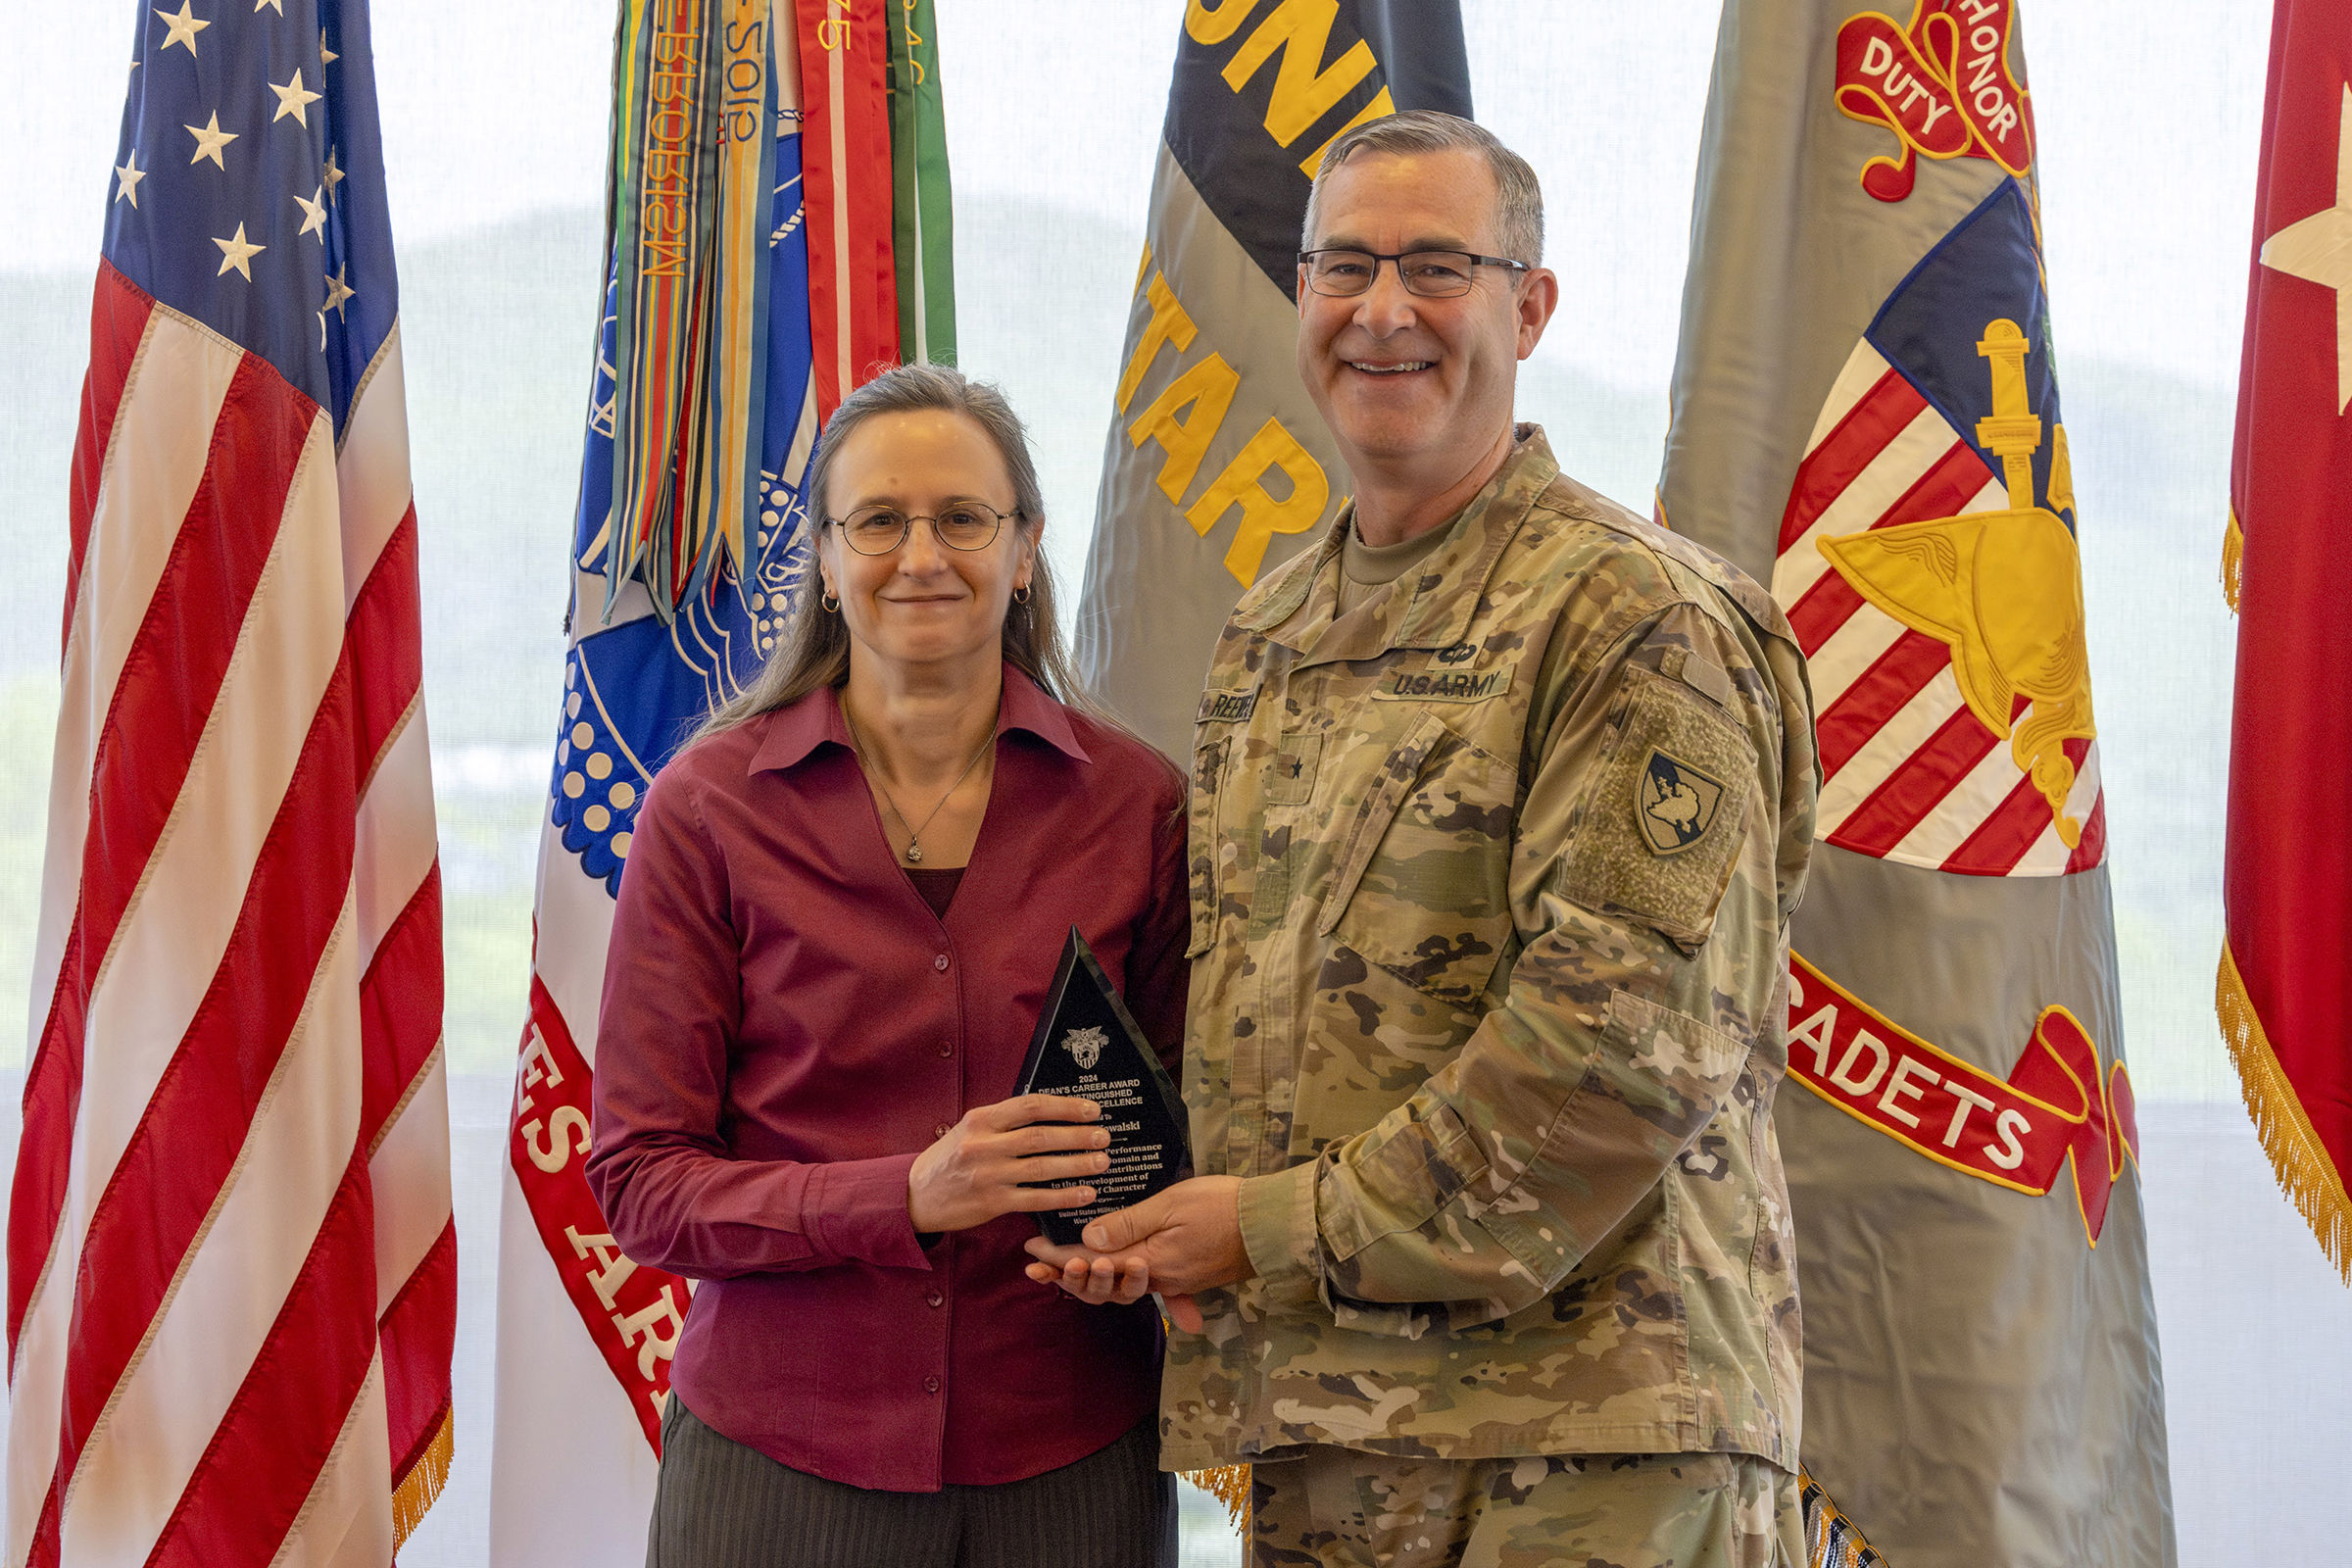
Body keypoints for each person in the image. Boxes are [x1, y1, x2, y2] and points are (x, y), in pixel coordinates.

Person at [1027, 113, 1821, 1568]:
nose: (1384, 312)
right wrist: (1141, 1212)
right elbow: (1259, 1025)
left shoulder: (1637, 620)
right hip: (1333, 1442)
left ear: (1531, 306)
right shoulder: (1272, 628)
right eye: (1347, 268)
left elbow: (1612, 1062)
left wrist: (1259, 1227)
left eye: (1440, 267)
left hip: (1585, 1458)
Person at [588, 364, 1187, 1568]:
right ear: (822, 552)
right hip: (780, 1462)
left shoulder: (1139, 805)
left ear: (1025, 550)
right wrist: (904, 1194)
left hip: (1070, 1457)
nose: (924, 555)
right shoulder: (708, 811)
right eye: (879, 521)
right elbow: (642, 1182)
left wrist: (1143, 1242)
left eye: (965, 518)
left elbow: (1191, 1121)